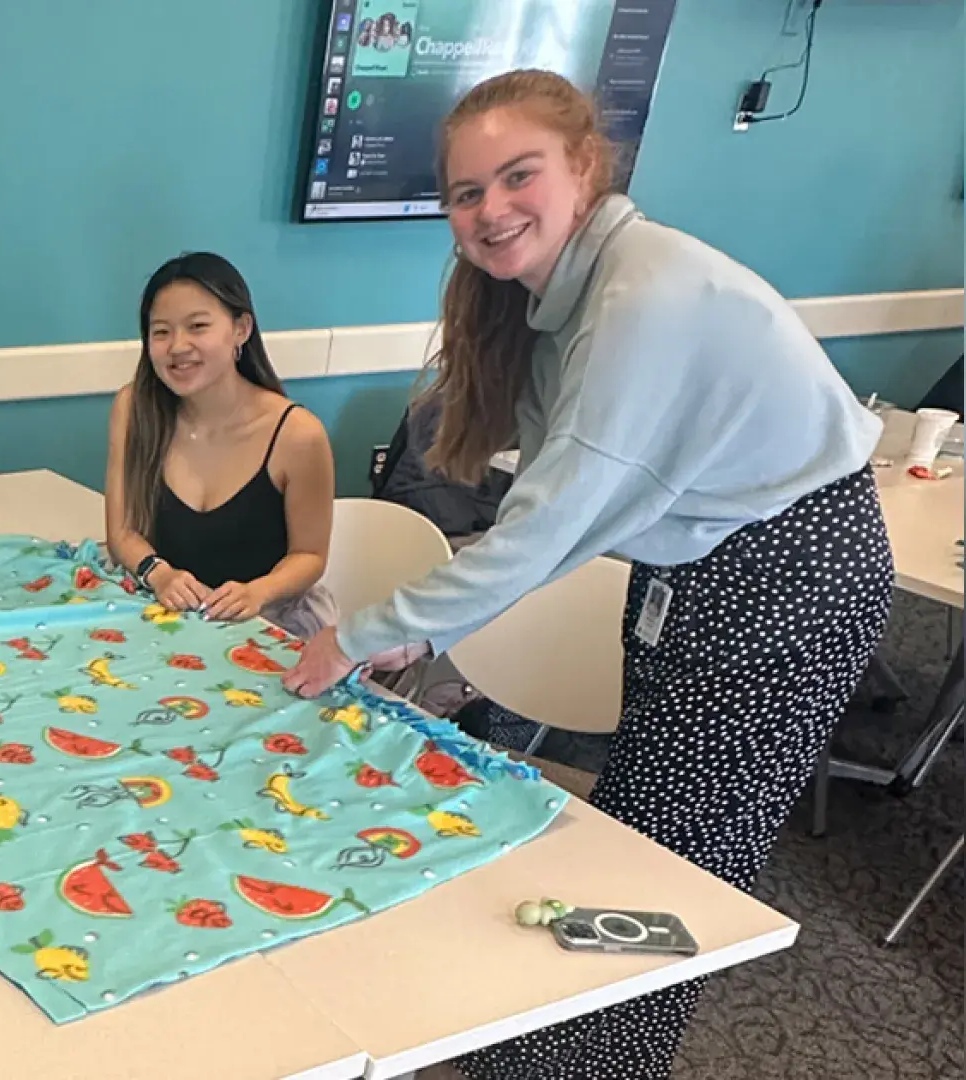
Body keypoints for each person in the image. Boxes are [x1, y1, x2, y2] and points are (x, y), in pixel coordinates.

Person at [282, 70, 891, 1080]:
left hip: (785, 581)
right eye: (466, 193)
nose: (490, 210)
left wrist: (362, 634)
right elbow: (556, 517)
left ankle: (587, 1064)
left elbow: (554, 518)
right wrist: (420, 626)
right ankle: (533, 1052)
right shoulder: (547, 302)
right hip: (689, 571)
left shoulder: (642, 289)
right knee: (627, 826)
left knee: (667, 874)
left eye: (517, 176)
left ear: (584, 167)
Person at [104, 252, 338, 637]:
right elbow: (122, 532)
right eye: (161, 331)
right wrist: (159, 575)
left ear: (241, 329)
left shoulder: (297, 434)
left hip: (266, 622)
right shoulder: (133, 408)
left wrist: (258, 592)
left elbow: (309, 555)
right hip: (160, 612)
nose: (178, 346)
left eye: (197, 326)